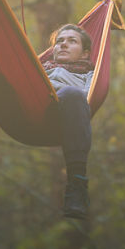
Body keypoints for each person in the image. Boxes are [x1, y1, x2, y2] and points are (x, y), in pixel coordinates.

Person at [43, 24, 94, 219]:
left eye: (72, 41)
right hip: (36, 112)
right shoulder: (36, 70)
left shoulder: (89, 77)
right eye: (59, 41)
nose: (63, 44)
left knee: (72, 94)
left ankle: (77, 183)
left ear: (84, 54)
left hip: (68, 116)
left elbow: (86, 98)